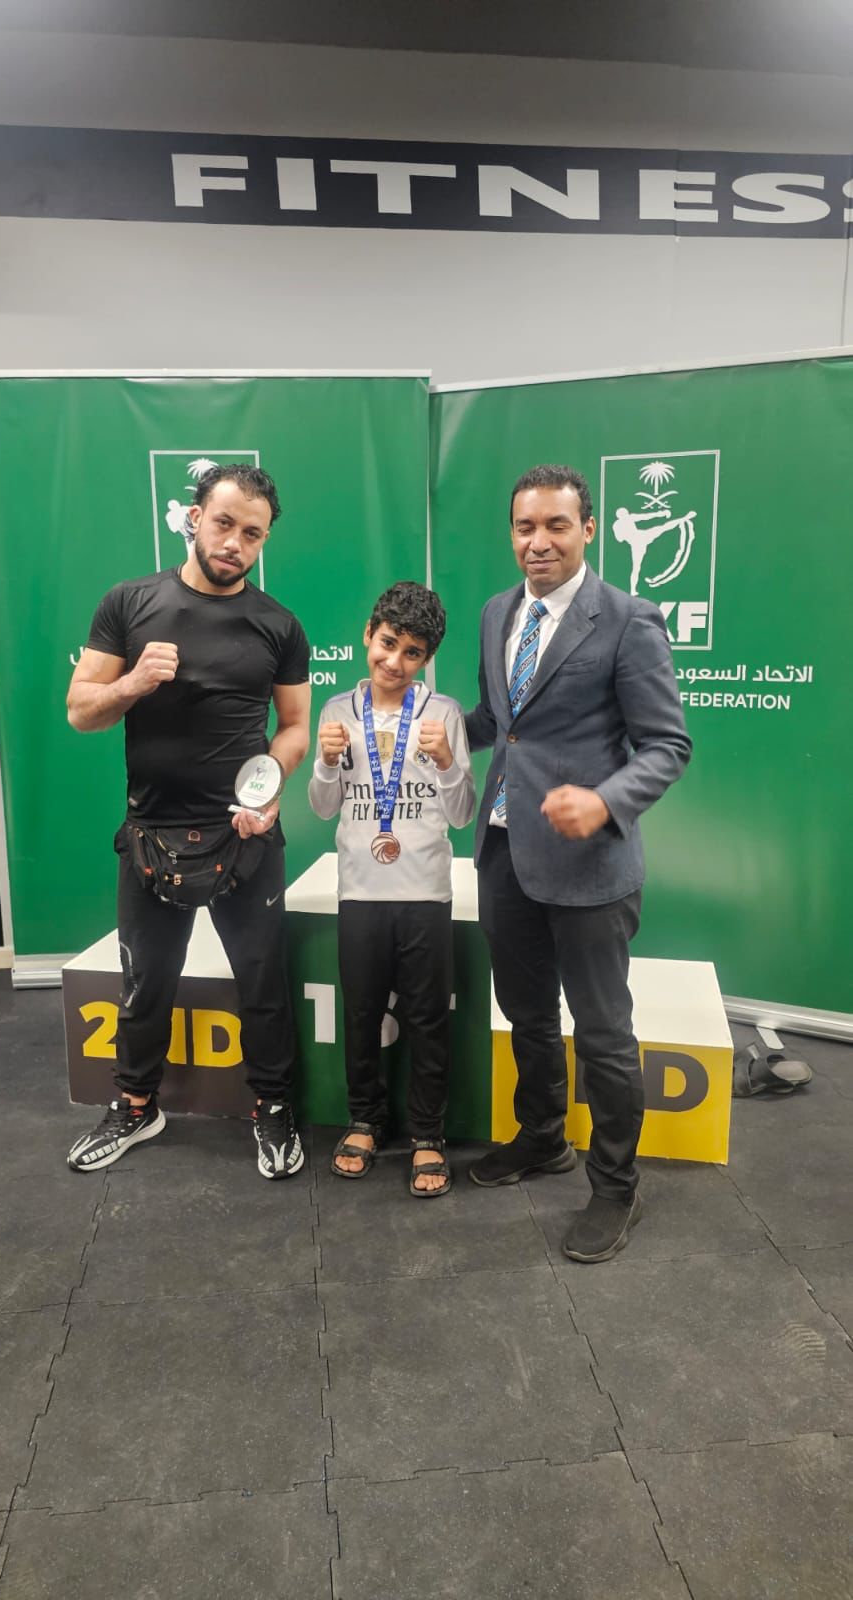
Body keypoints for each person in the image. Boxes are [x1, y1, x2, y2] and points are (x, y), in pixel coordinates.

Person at [465, 464, 691, 1261]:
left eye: (556, 525)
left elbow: (667, 746)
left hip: (591, 866)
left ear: (588, 530)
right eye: (525, 526)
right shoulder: (497, 612)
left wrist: (604, 801)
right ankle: (542, 1139)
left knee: (602, 1033)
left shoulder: (629, 621)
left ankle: (616, 1187)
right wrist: (433, 726)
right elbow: (500, 720)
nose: (539, 541)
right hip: (505, 853)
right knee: (526, 1016)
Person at [66, 463, 311, 1180]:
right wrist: (134, 681)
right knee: (145, 984)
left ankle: (273, 1107)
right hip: (152, 834)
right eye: (225, 523)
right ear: (195, 517)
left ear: (264, 541)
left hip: (245, 836)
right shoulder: (129, 602)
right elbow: (81, 710)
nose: (235, 542)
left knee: (262, 983)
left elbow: (295, 726)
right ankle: (136, 1105)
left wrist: (270, 789)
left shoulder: (278, 625)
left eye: (252, 534)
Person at [309, 582, 475, 1196]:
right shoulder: (336, 711)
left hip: (425, 891)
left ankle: (428, 1133)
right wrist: (326, 762)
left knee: (428, 1018)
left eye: (412, 653)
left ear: (427, 658)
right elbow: (322, 805)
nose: (394, 662)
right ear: (367, 635)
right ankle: (364, 1120)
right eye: (386, 644)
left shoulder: (443, 713)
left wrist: (448, 762)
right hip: (360, 890)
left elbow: (463, 813)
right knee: (361, 1014)